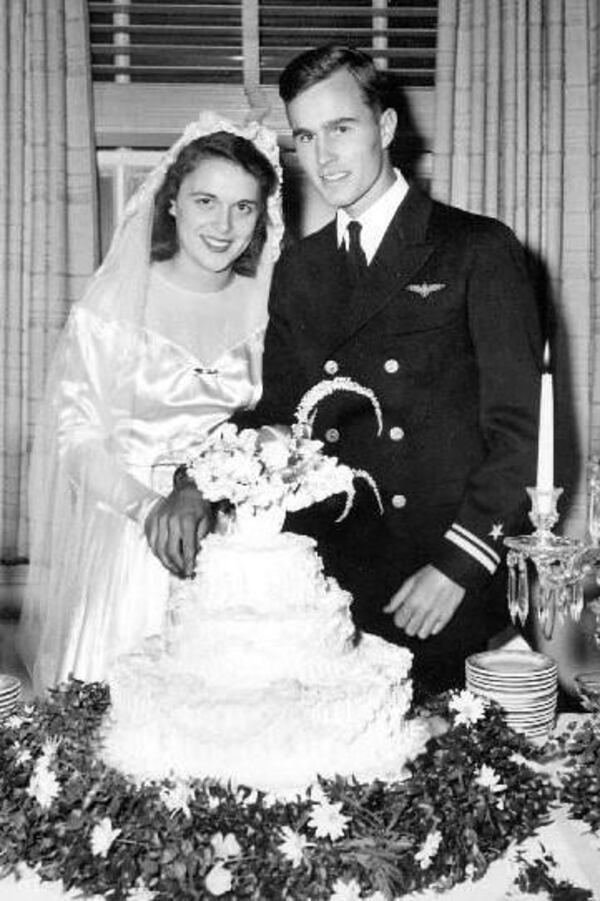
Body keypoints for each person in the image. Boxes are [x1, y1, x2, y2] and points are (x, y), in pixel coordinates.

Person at [223, 44, 542, 693]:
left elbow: (520, 435)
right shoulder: (300, 268)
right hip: (327, 586)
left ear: (387, 127)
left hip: (438, 585)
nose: (323, 155)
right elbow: (281, 412)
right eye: (306, 136)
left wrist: (459, 564)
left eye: (341, 128)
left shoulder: (476, 249)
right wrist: (205, 467)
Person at [17, 112, 283, 693]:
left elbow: (282, 425)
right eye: (206, 201)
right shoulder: (113, 307)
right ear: (172, 203)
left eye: (244, 207)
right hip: (133, 548)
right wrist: (149, 509)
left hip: (240, 553)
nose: (223, 224)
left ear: (261, 216)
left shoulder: (271, 310)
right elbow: (75, 440)